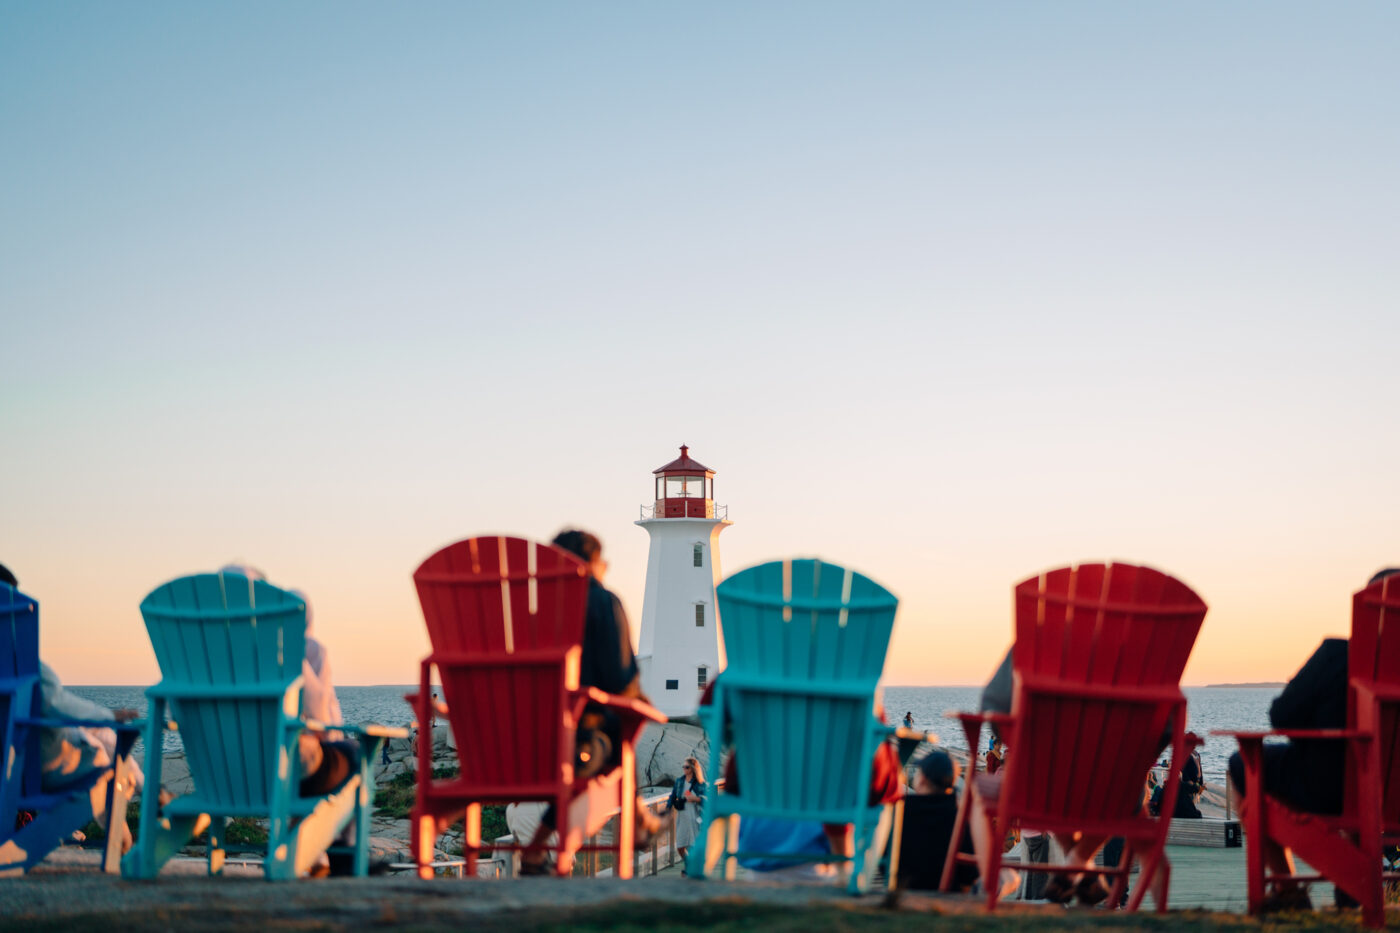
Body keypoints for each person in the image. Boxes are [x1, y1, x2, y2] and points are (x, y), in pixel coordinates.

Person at [1223, 568, 1399, 912]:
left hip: (1327, 789)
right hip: (1390, 796)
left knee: (1242, 764)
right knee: (1360, 786)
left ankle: (1288, 886)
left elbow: (1282, 716)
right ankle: (1352, 882)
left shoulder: (1336, 656)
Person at [519, 530, 662, 874]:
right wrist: (637, 697)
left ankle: (640, 819)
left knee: (602, 736)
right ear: (593, 564)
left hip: (518, 742)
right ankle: (636, 821)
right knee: (617, 733)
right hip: (576, 745)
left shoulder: (531, 611)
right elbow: (619, 679)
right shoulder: (602, 601)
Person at [1, 563, 143, 852]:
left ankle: (147, 796)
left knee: (100, 733)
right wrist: (109, 715)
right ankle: (139, 812)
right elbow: (54, 703)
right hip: (31, 769)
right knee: (111, 760)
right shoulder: (19, 662)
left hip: (16, 760)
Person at [894, 749, 978, 892]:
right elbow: (970, 874)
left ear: (922, 779)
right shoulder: (959, 819)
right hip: (950, 894)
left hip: (906, 891)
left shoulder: (902, 813)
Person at [663, 757, 706, 872]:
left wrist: (695, 798)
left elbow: (707, 800)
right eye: (683, 767)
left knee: (693, 845)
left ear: (692, 769)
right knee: (680, 846)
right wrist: (667, 808)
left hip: (695, 816)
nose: (684, 769)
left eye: (686, 767)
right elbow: (672, 796)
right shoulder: (679, 781)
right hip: (682, 816)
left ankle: (690, 869)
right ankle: (689, 864)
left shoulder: (700, 783)